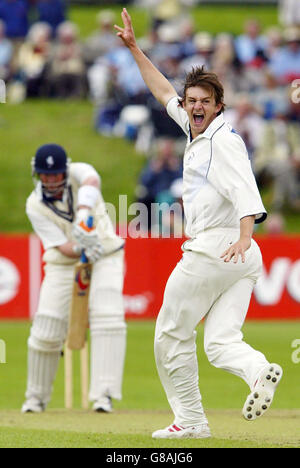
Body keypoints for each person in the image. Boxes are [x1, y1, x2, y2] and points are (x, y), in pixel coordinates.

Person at [115, 9, 283, 439]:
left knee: (170, 335)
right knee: (220, 342)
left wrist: (246, 233)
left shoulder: (223, 140)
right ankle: (259, 370)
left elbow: (245, 187)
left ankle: (190, 422)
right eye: (191, 102)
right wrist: (135, 49)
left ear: (218, 106)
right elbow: (162, 89)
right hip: (242, 259)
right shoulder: (196, 130)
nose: (195, 107)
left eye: (204, 102)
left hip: (219, 247)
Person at [22, 144, 126, 414]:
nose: (51, 181)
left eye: (55, 175)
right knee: (46, 327)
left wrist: (83, 217)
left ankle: (103, 396)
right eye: (46, 176)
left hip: (105, 253)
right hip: (64, 263)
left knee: (108, 315)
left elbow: (92, 180)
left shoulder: (78, 172)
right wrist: (81, 245)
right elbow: (62, 248)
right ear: (38, 175)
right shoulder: (34, 205)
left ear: (64, 171)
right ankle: (35, 398)